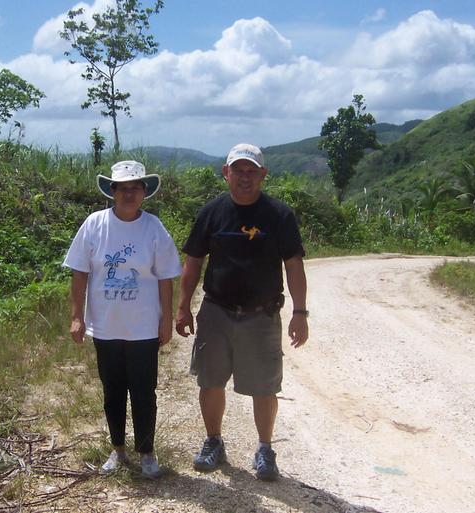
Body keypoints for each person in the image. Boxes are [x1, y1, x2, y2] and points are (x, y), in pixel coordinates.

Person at [175, 143, 308, 481]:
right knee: (210, 381)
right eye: (238, 170)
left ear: (263, 175)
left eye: (252, 171)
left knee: (264, 387)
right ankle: (213, 441)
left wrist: (300, 312)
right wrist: (183, 308)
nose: (245, 177)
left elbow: (293, 265)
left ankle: (265, 448)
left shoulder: (279, 216)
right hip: (216, 311)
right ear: (226, 173)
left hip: (262, 315)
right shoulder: (211, 212)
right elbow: (193, 262)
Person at [63, 160, 181, 479]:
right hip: (105, 325)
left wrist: (165, 319)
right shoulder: (94, 224)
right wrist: (77, 317)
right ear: (112, 191)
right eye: (123, 188)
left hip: (143, 327)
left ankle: (147, 451)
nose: (129, 194)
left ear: (144, 192)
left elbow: (165, 278)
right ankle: (117, 450)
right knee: (112, 390)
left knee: (144, 391)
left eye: (136, 188)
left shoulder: (153, 228)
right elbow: (79, 272)